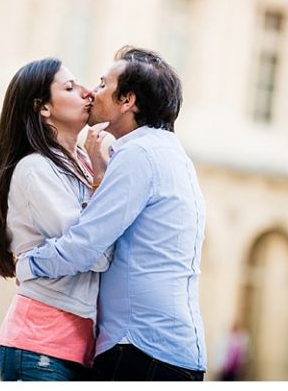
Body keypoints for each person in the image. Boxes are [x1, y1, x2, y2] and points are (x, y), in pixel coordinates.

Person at [16, 47, 206, 381]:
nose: (93, 91)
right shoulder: (169, 154)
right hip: (173, 350)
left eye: (104, 84)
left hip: (139, 349)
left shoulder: (138, 156)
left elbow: (84, 247)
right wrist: (101, 178)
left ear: (128, 100)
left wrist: (27, 263)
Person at [0, 58, 112, 381]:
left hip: (77, 346)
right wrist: (100, 181)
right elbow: (94, 251)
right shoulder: (35, 169)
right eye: (70, 88)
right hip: (39, 347)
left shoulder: (85, 162)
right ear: (43, 108)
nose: (87, 92)